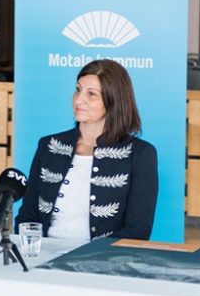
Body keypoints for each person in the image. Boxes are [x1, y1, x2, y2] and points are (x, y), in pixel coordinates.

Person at [15, 59, 158, 240]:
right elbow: (27, 215)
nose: (79, 99)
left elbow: (138, 230)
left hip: (101, 262)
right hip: (42, 256)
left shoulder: (141, 154)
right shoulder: (48, 145)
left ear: (114, 100)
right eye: (78, 90)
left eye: (91, 94)